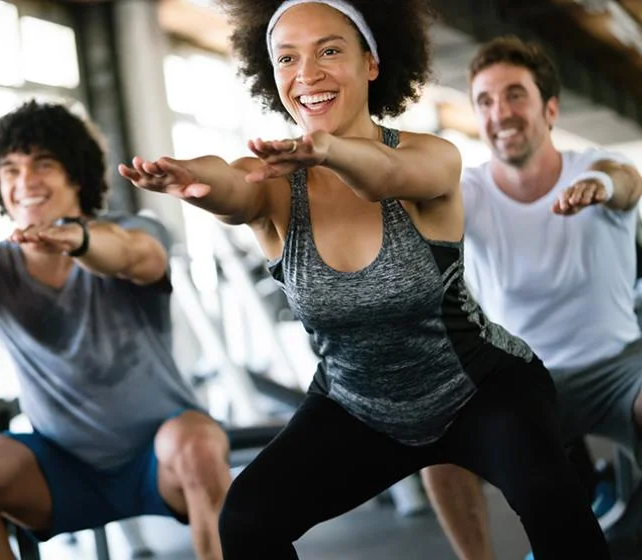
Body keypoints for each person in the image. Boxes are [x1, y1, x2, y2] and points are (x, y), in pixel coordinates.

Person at [119, 1, 610, 558]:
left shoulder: (431, 156)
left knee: (553, 499)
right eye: (287, 58)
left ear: (372, 62)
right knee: (248, 518)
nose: (307, 74)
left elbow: (387, 177)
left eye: (329, 50)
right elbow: (230, 184)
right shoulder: (275, 185)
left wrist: (329, 151)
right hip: (356, 405)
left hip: (481, 390)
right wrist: (190, 178)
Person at [0, 100, 231, 560]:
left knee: (198, 445)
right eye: (11, 169)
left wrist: (79, 240)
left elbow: (133, 254)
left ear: (75, 175)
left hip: (162, 458)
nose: (26, 182)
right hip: (60, 469)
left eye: (43, 164)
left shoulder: (133, 229)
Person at [420, 36, 642, 560]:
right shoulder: (468, 190)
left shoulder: (595, 165)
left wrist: (599, 188)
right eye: (486, 101)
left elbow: (626, 181)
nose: (501, 113)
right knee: (437, 445)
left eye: (515, 95)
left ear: (550, 107)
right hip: (528, 377)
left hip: (621, 369)